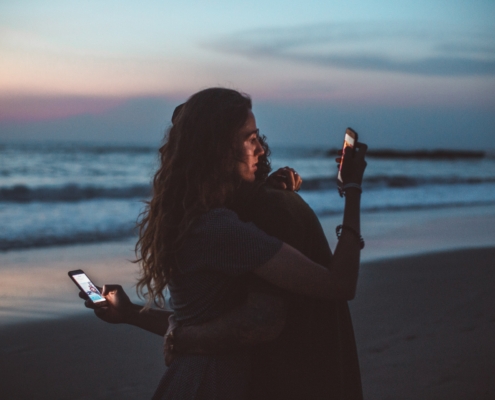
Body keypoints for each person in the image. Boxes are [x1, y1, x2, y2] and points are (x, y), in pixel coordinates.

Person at [79, 87, 367, 400]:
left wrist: (130, 313)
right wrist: (352, 190)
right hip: (209, 385)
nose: (261, 149)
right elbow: (340, 284)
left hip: (192, 379)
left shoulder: (192, 217)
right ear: (218, 148)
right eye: (250, 138)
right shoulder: (221, 228)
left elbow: (194, 326)